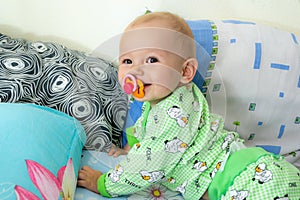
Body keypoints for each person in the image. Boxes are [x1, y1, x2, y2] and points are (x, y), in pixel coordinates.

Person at [77, 11, 300, 199]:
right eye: (127, 61)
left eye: (152, 60)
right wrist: (131, 146)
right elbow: (147, 127)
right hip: (255, 166)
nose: (135, 70)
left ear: (185, 72)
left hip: (249, 182)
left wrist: (102, 184)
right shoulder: (167, 95)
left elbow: (146, 167)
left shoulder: (173, 113)